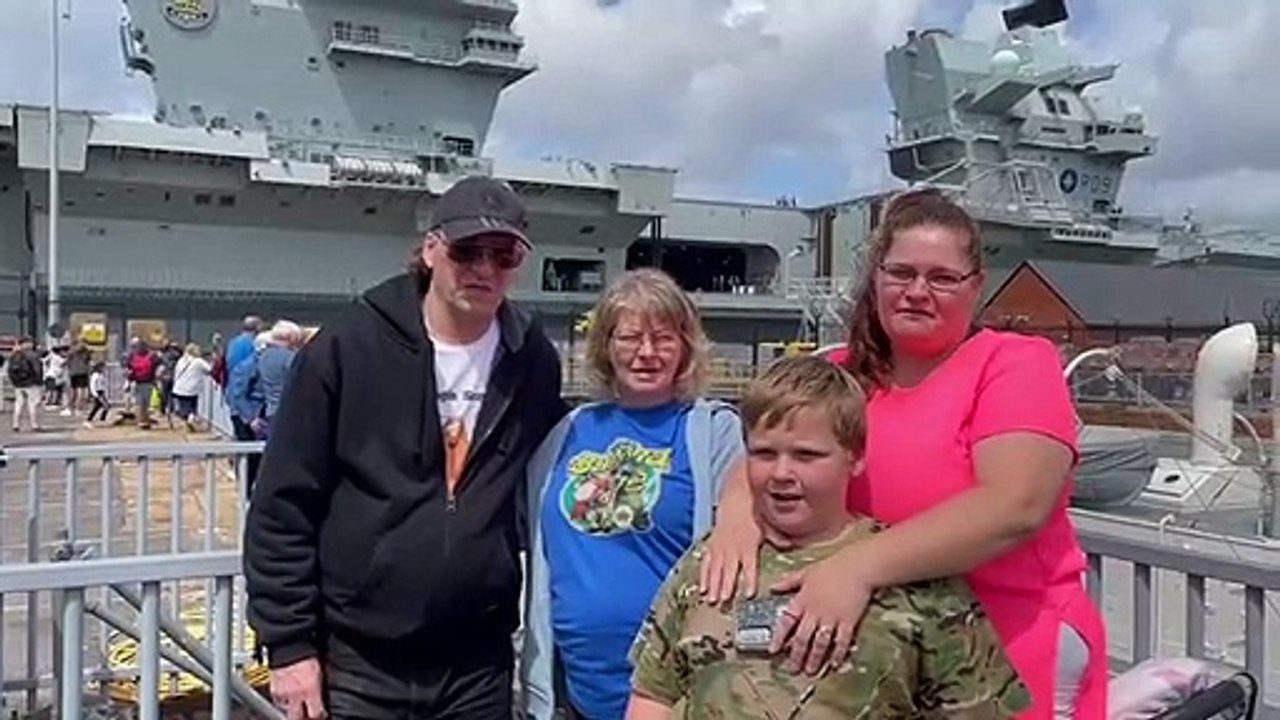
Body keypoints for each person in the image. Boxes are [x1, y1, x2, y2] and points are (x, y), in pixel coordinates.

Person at [701, 188, 1106, 720]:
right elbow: (766, 454)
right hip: (892, 659)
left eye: (941, 278)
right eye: (901, 273)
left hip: (1009, 650)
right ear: (877, 279)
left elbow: (1017, 504)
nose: (917, 291)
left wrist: (855, 569)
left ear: (977, 287)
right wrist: (735, 516)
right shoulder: (844, 373)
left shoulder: (1014, 362)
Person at [244, 175, 568, 720]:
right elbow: (283, 505)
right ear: (432, 250)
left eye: (504, 253)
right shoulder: (348, 347)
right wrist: (290, 645)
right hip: (358, 660)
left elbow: (573, 464)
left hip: (477, 662)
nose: (485, 269)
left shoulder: (531, 358)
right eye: (468, 251)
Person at [625, 355, 1031, 719]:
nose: (782, 473)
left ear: (853, 458)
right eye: (765, 454)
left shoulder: (913, 577)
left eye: (806, 456)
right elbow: (652, 696)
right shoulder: (711, 564)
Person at [522, 268, 745, 720]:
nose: (646, 353)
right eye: (629, 338)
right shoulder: (567, 431)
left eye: (663, 338)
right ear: (606, 346)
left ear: (685, 347)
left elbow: (742, 534)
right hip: (576, 691)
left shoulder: (711, 430)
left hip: (673, 692)